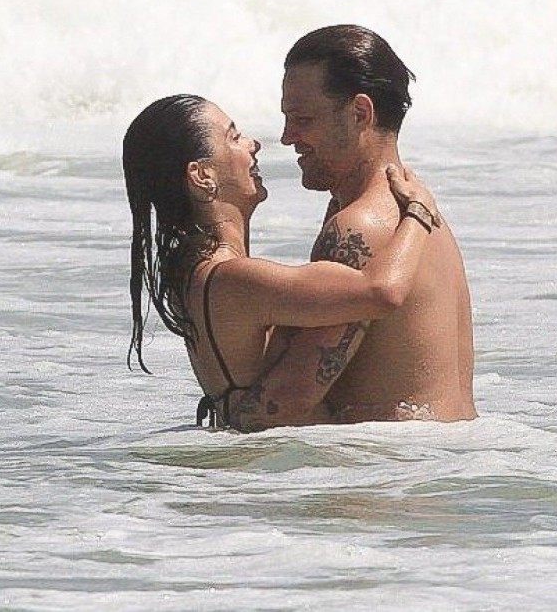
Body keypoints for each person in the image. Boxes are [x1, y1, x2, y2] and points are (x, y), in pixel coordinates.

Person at [122, 94, 442, 427]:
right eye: (234, 137)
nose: (253, 144)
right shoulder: (235, 279)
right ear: (202, 176)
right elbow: (381, 293)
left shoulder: (199, 275)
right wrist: (418, 212)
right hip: (278, 469)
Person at [224, 25, 477, 431]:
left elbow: (283, 406)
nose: (288, 137)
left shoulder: (360, 227)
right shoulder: (422, 214)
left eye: (303, 119)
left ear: (360, 113)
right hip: (434, 467)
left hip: (384, 474)